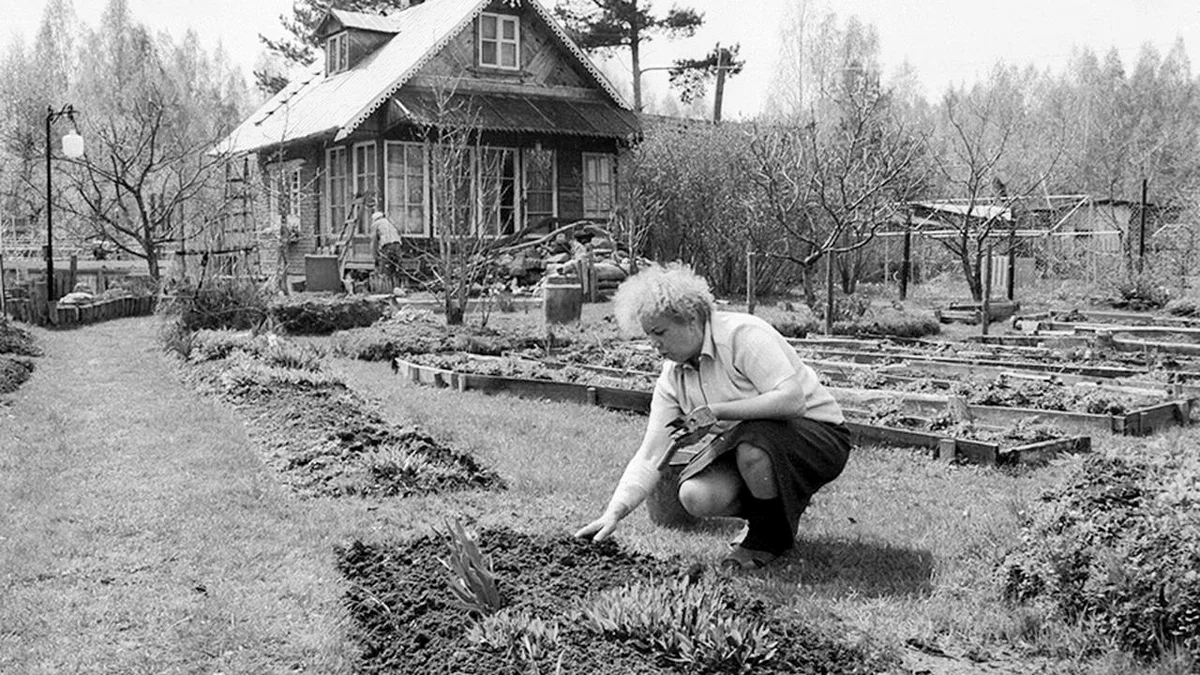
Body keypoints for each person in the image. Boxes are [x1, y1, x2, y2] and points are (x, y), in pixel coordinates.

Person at [575, 262, 851, 570]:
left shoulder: (741, 335)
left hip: (819, 437)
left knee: (753, 447)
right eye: (648, 335)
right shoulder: (673, 377)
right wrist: (613, 512)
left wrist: (717, 411)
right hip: (755, 447)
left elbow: (792, 400)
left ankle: (768, 537)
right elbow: (651, 454)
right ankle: (773, 510)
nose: (654, 345)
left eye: (660, 332)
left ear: (691, 319)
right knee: (695, 495)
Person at [372, 210, 404, 290]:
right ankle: (398, 287)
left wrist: (375, 256)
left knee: (385, 268)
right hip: (397, 244)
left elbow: (374, 241)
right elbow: (399, 232)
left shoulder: (376, 224)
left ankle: (385, 289)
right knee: (395, 267)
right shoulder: (389, 223)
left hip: (387, 245)